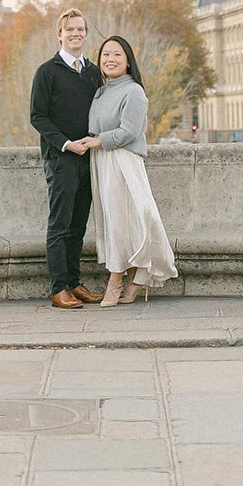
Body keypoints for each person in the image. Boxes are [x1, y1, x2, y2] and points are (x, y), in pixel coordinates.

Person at [73, 34, 178, 306]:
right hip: (102, 162)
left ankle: (116, 280)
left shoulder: (134, 91)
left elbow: (130, 131)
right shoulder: (101, 91)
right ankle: (136, 280)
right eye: (106, 54)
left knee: (127, 221)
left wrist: (99, 140)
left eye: (117, 54)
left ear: (128, 61)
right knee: (116, 222)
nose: (110, 59)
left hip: (123, 161)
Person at [28, 8, 103, 308]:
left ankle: (74, 283)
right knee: (59, 225)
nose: (75, 34)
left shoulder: (94, 72)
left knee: (79, 226)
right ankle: (59, 288)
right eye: (69, 29)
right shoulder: (47, 72)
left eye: (80, 29)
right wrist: (66, 144)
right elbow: (38, 117)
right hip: (61, 160)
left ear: (86, 34)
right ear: (59, 35)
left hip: (89, 158)